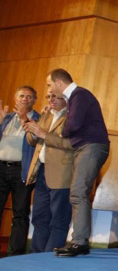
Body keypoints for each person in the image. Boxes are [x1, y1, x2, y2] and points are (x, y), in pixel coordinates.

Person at [46, 68, 110, 257]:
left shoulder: (79, 95)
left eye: (49, 85)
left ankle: (79, 242)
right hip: (87, 147)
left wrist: (61, 131)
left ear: (59, 83)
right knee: (78, 193)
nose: (49, 90)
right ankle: (79, 241)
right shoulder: (75, 97)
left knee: (78, 194)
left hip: (91, 147)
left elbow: (72, 125)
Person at [23, 88, 74, 252]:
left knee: (58, 219)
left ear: (65, 98)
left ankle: (50, 259)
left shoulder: (72, 116)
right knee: (39, 217)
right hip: (41, 171)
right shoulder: (46, 114)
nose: (50, 99)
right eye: (48, 96)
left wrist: (43, 133)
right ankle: (35, 256)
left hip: (61, 174)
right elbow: (33, 141)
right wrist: (31, 130)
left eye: (54, 96)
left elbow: (71, 144)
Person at [0, 86, 40, 255]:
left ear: (34, 100)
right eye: (22, 95)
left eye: (29, 97)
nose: (25, 99)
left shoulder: (39, 119)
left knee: (20, 214)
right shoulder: (6, 118)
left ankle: (14, 254)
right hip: (1, 168)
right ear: (16, 98)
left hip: (22, 171)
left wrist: (25, 119)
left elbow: (36, 139)